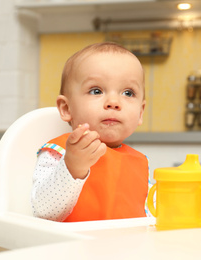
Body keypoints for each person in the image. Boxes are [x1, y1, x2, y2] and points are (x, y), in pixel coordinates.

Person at [31, 42, 148, 222]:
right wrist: (72, 167)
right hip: (71, 248)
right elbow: (43, 211)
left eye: (128, 93)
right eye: (96, 90)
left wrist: (181, 205)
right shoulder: (59, 152)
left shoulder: (138, 162)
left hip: (127, 249)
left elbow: (151, 212)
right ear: (66, 108)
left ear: (140, 112)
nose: (114, 102)